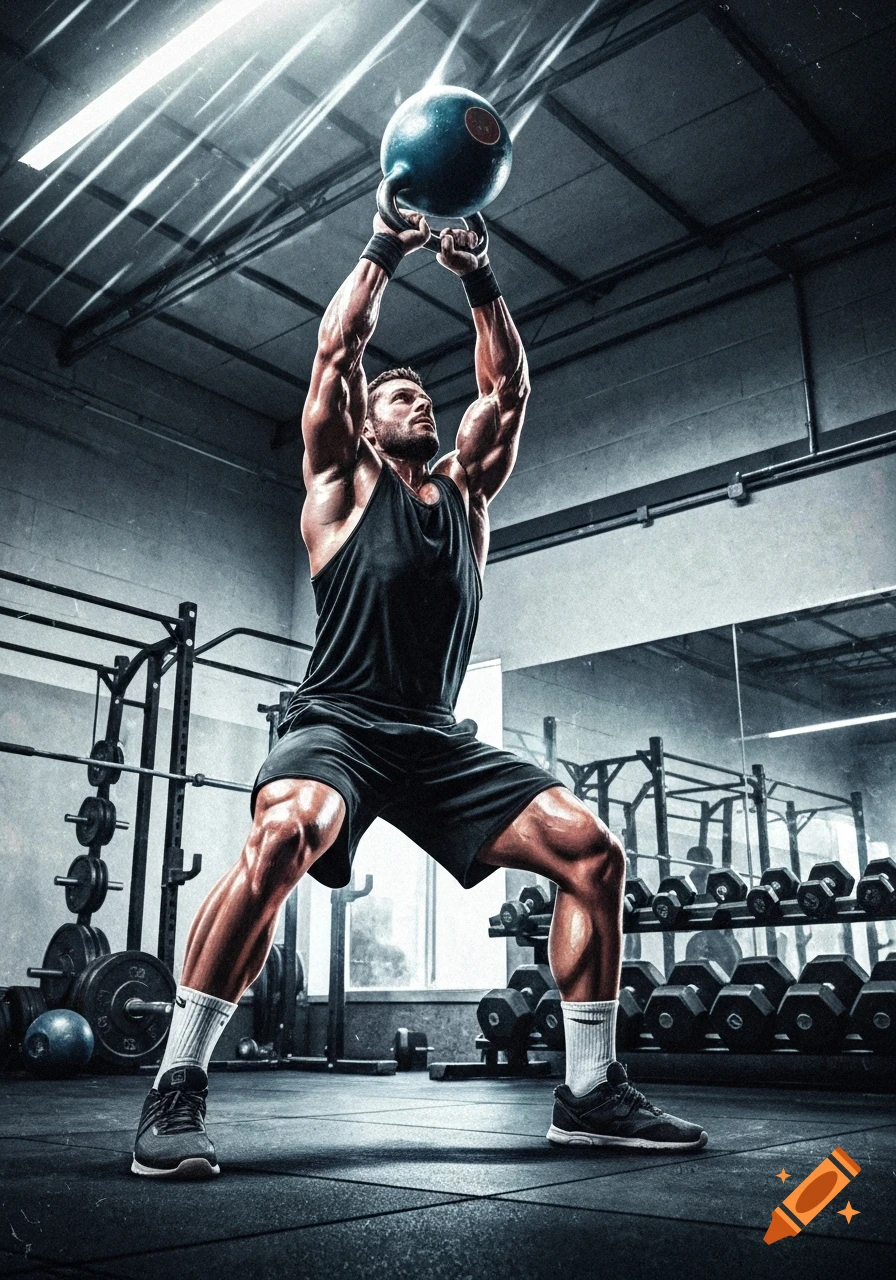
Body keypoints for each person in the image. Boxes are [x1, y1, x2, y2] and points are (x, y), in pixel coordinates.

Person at [132, 210, 707, 1177]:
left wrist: (480, 273)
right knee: (284, 834)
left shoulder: (469, 499)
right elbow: (335, 349)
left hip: (435, 739)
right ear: (365, 418)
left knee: (591, 851)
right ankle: (175, 1088)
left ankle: (590, 1090)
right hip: (336, 725)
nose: (417, 403)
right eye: (397, 394)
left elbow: (509, 386)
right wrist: (389, 244)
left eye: (423, 397)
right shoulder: (341, 483)